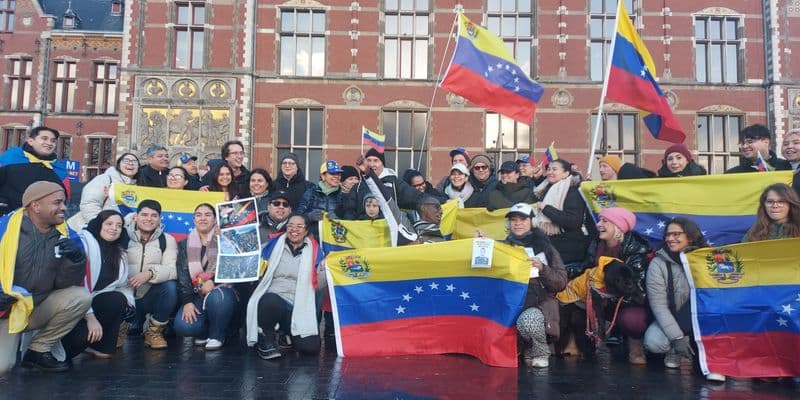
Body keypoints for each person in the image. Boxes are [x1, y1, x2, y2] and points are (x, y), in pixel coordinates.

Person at [0, 182, 90, 373]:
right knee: (2, 367)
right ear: (35, 205)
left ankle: (38, 351)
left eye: (64, 202)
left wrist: (75, 260)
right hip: (5, 311)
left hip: (35, 307)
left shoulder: (66, 235)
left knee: (80, 297)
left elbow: (63, 283)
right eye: (57, 202)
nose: (64, 208)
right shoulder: (4, 229)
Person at [643, 217, 725, 382]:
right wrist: (677, 338)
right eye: (668, 235)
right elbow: (659, 306)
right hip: (675, 316)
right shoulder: (658, 264)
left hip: (704, 317)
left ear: (691, 237)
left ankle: (715, 362)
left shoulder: (708, 259)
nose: (670, 239)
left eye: (676, 234)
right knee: (654, 342)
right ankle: (675, 347)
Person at [497, 203, 567, 368]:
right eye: (513, 220)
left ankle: (540, 351)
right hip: (508, 302)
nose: (517, 223)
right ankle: (520, 348)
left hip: (538, 303)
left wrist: (543, 268)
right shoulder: (501, 247)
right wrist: (481, 244)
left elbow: (561, 282)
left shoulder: (546, 247)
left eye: (523, 219)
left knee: (529, 320)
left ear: (532, 222)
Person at [578, 207, 652, 364]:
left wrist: (608, 299)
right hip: (599, 298)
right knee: (572, 304)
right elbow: (586, 270)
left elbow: (638, 292)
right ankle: (584, 346)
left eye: (604, 221)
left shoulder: (637, 249)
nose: (598, 224)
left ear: (618, 226)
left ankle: (635, 347)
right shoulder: (595, 244)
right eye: (600, 220)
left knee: (633, 320)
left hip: (626, 302)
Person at [247, 215, 326, 360]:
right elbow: (248, 257)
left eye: (299, 226)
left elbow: (319, 285)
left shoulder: (315, 251)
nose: (294, 229)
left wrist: (322, 269)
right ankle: (267, 337)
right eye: (290, 225)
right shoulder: (272, 245)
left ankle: (284, 333)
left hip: (297, 306)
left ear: (306, 231)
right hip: (273, 298)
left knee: (310, 348)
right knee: (271, 301)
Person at [61, 210, 133, 360]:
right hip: (75, 303)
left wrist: (129, 302)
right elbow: (75, 284)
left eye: (119, 225)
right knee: (70, 349)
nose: (114, 228)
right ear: (99, 224)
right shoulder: (82, 244)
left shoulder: (119, 252)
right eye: (109, 223)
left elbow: (121, 285)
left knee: (117, 299)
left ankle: (99, 346)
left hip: (95, 300)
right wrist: (90, 317)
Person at [174, 204, 239, 351]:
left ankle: (217, 335)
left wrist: (212, 281)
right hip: (197, 292)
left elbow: (233, 267)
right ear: (194, 219)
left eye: (208, 215)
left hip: (223, 290)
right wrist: (187, 301)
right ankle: (204, 331)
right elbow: (183, 274)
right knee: (184, 327)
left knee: (218, 298)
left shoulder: (226, 239)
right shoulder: (184, 243)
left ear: (215, 219)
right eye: (199, 215)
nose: (203, 218)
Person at [123, 200, 178, 350]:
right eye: (144, 215)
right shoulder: (122, 235)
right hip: (124, 296)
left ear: (160, 219)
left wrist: (150, 273)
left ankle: (154, 331)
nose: (149, 219)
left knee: (171, 287)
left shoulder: (167, 240)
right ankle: (120, 327)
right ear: (136, 217)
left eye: (154, 215)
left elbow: (172, 270)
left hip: (148, 296)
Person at [534, 159, 593, 273]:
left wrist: (546, 209)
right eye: (549, 169)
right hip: (552, 248)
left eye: (554, 169)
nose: (550, 172)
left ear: (566, 173)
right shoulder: (545, 189)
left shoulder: (573, 192)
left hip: (569, 250)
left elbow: (573, 221)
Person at [0, 126, 68, 216]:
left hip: (41, 220)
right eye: (44, 138)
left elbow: (64, 198)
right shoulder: (11, 157)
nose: (49, 143)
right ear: (30, 141)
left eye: (53, 141)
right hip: (6, 216)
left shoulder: (59, 169)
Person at [67, 152, 140, 231]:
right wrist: (100, 225)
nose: (130, 163)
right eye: (126, 160)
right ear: (118, 165)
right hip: (88, 229)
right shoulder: (105, 179)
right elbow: (89, 204)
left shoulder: (138, 187)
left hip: (117, 232)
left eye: (134, 161)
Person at [297, 160, 344, 234]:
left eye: (338, 174)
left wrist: (339, 217)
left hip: (334, 237)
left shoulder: (343, 195)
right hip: (313, 236)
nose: (337, 176)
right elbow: (298, 216)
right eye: (332, 173)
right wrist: (309, 217)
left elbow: (350, 217)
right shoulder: (310, 193)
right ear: (323, 176)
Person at [725, 124, 792, 173]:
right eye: (742, 143)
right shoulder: (732, 174)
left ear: (766, 141)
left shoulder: (787, 167)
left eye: (750, 142)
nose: (744, 146)